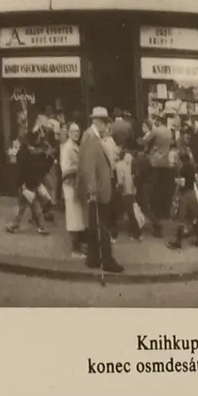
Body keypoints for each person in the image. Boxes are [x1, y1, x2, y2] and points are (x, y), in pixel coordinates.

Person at [77, 107, 121, 274]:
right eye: (106, 123)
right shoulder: (90, 137)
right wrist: (92, 190)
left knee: (96, 226)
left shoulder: (93, 137)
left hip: (99, 189)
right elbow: (88, 166)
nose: (107, 127)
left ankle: (93, 259)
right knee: (102, 226)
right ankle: (107, 261)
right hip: (97, 191)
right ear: (99, 122)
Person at [6, 122, 49, 235]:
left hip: (24, 183)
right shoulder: (32, 152)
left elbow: (21, 170)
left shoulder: (22, 153)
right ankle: (41, 226)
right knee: (32, 204)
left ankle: (15, 225)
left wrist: (20, 184)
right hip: (31, 181)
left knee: (25, 205)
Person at [59, 120, 85, 256]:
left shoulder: (74, 145)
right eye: (74, 131)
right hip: (70, 186)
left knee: (78, 217)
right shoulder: (67, 148)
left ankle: (78, 246)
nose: (76, 134)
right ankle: (75, 249)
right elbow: (64, 170)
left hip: (76, 185)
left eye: (78, 131)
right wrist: (79, 168)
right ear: (69, 133)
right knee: (73, 218)